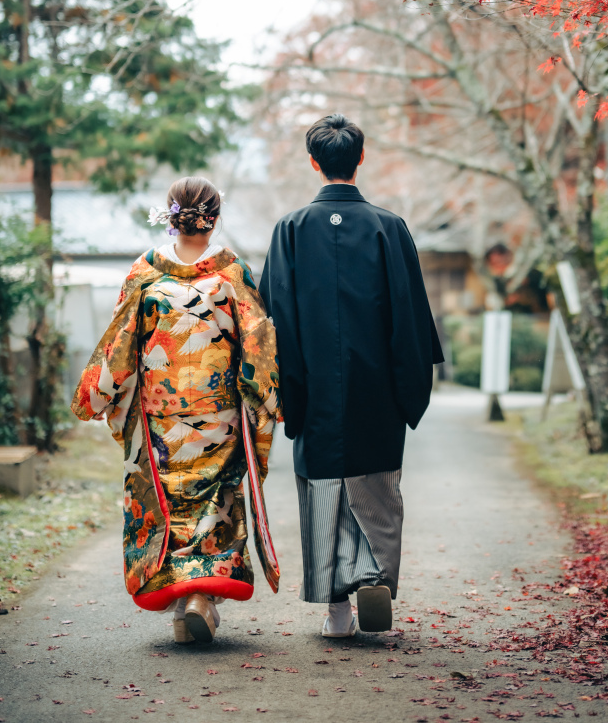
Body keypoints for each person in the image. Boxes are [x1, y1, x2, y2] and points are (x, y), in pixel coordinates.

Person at [71, 176, 279, 645]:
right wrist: (266, 398)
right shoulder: (232, 272)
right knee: (215, 500)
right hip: (218, 414)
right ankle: (201, 600)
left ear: (171, 217)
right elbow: (259, 343)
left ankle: (183, 604)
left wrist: (100, 395)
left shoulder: (145, 272)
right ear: (214, 218)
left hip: (159, 414)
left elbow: (122, 341)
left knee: (166, 504)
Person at [259, 114, 443, 638]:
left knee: (321, 492)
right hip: (377, 393)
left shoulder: (290, 230)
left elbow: (275, 321)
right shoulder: (390, 227)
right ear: (359, 158)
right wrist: (408, 393)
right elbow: (409, 317)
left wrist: (287, 393)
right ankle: (376, 578)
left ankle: (337, 612)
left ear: (314, 163)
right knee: (378, 489)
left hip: (313, 388)